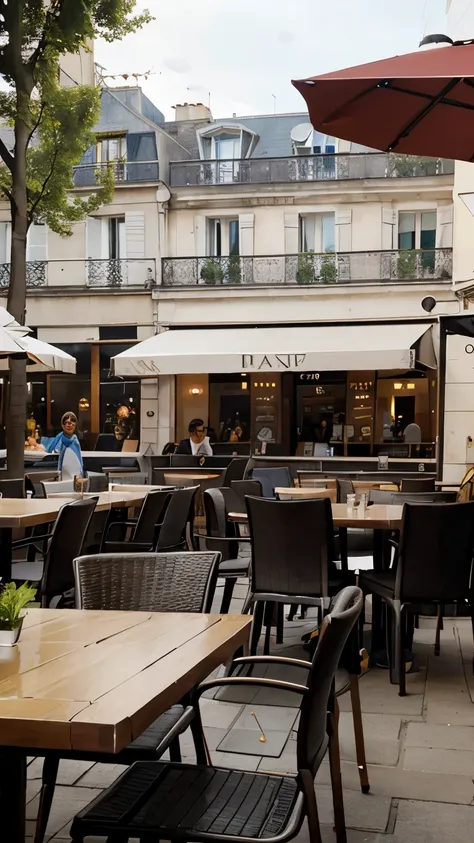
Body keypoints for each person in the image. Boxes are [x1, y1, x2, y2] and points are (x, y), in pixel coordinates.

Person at [46, 411, 85, 480]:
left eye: (72, 422)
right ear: (62, 425)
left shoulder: (75, 441)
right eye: (66, 423)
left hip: (75, 474)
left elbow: (79, 461)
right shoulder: (61, 439)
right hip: (64, 474)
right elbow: (50, 449)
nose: (69, 425)